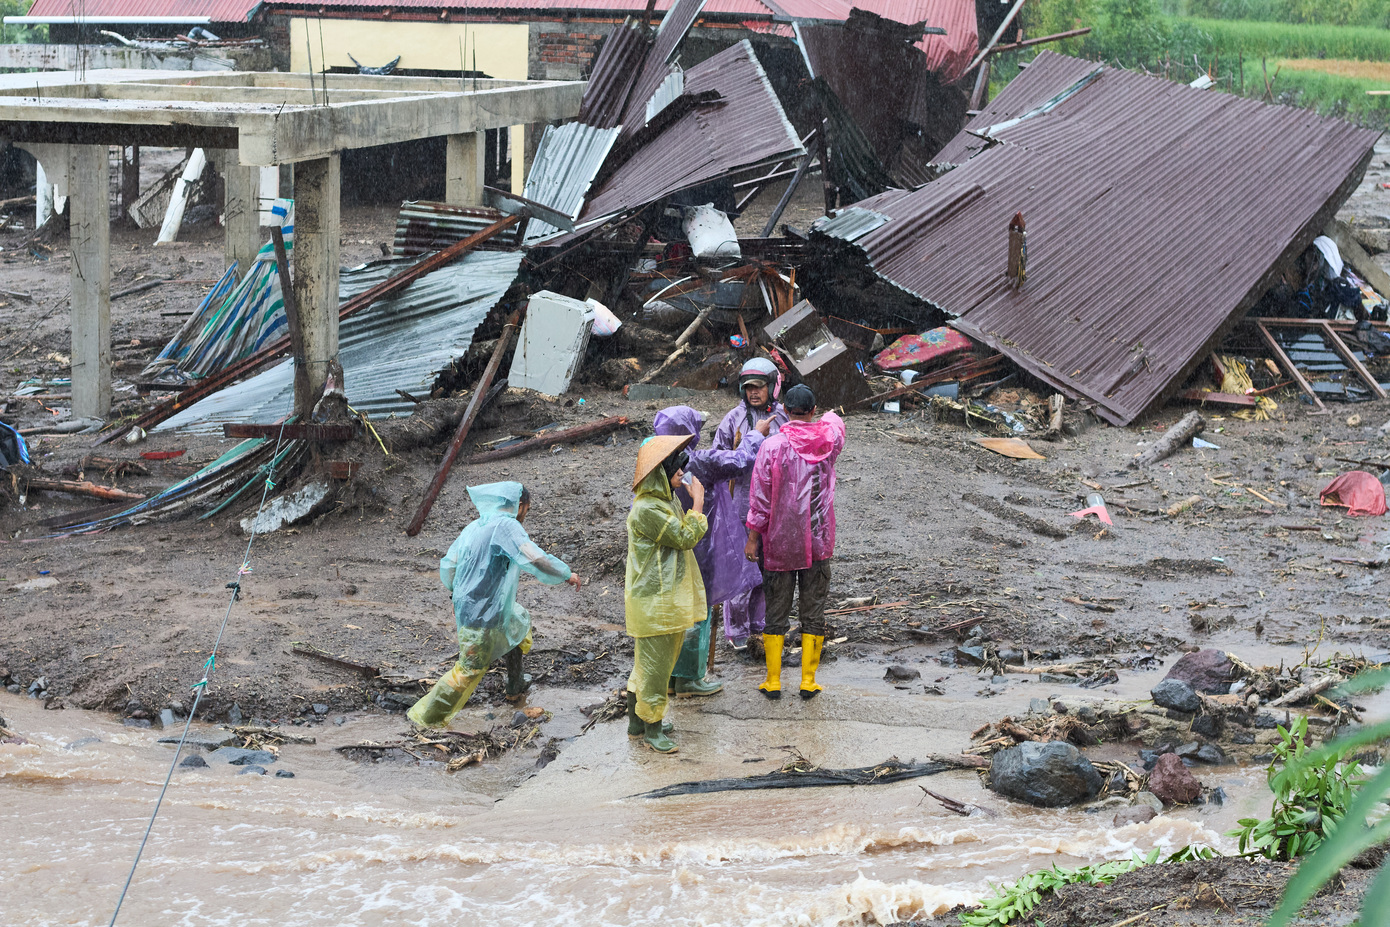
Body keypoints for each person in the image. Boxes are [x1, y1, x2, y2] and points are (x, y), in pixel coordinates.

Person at [407, 482, 582, 729]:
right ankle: (423, 717)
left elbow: (448, 564)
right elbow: (534, 558)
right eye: (527, 510)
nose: (525, 516)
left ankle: (515, 686)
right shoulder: (507, 525)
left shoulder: (474, 526)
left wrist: (458, 592)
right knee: (469, 669)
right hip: (482, 613)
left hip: (480, 606)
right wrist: (566, 574)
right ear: (520, 506)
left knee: (518, 622)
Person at [652, 405, 772, 697]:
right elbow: (741, 460)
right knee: (697, 613)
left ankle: (668, 676)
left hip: (664, 549)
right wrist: (756, 434)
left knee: (673, 611)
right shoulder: (697, 463)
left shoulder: (653, 465)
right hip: (700, 547)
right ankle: (689, 679)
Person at [745, 384, 845, 700]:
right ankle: (808, 680)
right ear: (813, 410)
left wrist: (752, 539)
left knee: (776, 609)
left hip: (780, 540)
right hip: (818, 539)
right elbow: (836, 420)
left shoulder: (771, 447)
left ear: (784, 411)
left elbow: (759, 499)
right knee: (813, 610)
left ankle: (773, 681)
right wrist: (823, 416)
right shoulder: (828, 441)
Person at [625, 433, 708, 753]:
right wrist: (697, 503)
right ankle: (653, 729)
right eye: (675, 468)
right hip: (654, 602)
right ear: (659, 471)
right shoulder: (648, 509)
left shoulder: (665, 500)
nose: (681, 473)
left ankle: (637, 721)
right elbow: (686, 537)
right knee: (657, 669)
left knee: (647, 665)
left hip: (662, 600)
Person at [712, 357, 790, 651]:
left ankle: (760, 625)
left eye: (759, 387)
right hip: (741, 504)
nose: (753, 393)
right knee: (741, 572)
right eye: (748, 388)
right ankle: (737, 632)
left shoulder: (784, 417)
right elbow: (718, 458)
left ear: (772, 387)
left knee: (767, 570)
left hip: (776, 506)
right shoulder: (733, 419)